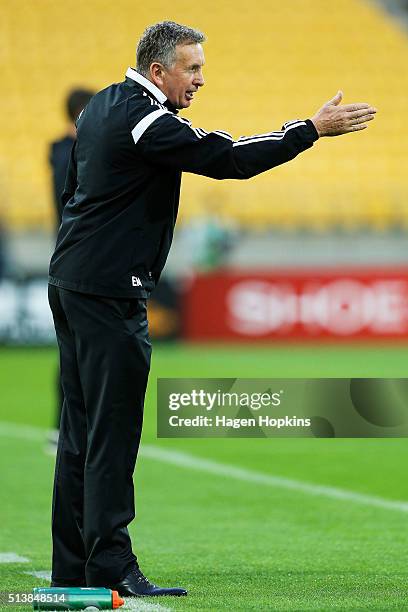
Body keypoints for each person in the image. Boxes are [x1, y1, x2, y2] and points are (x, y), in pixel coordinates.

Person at [47, 20, 376, 597]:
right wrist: (311, 130)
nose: (200, 80)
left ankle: (72, 566)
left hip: (74, 281)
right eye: (192, 68)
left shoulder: (102, 104)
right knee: (113, 434)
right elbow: (230, 158)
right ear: (158, 71)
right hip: (108, 291)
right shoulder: (149, 120)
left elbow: (75, 188)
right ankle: (109, 566)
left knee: (80, 431)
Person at [48, 89, 94, 451]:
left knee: (77, 349)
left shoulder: (60, 151)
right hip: (79, 261)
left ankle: (67, 428)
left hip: (68, 257)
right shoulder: (69, 152)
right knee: (81, 350)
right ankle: (66, 427)